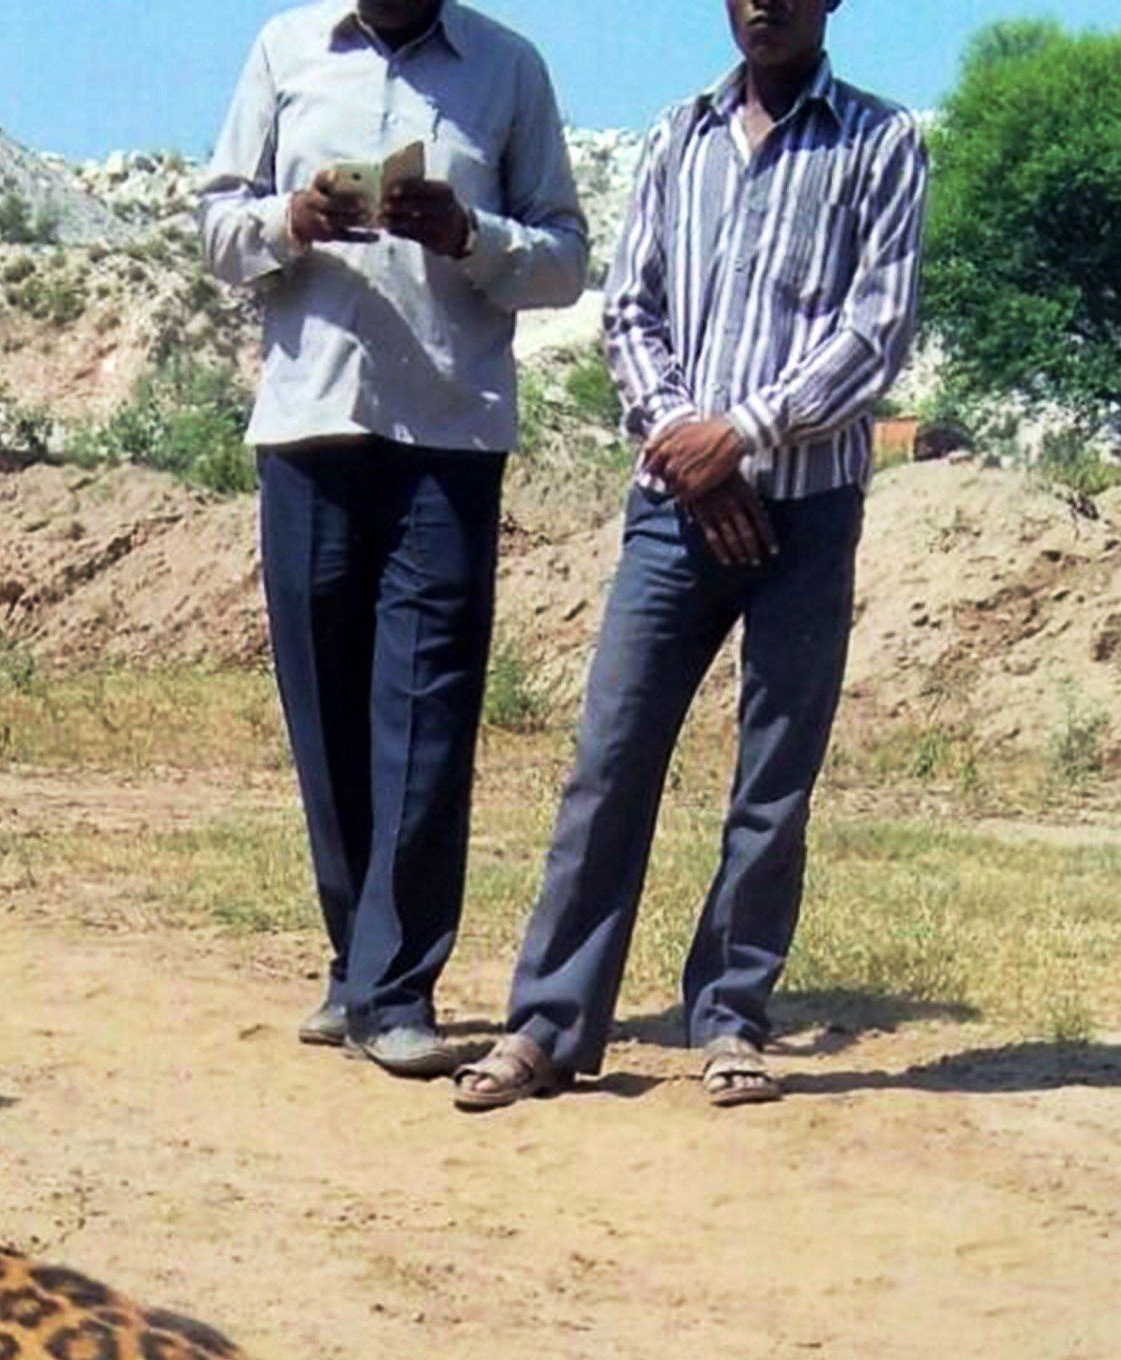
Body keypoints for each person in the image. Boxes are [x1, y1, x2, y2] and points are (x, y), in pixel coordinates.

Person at [454, 0, 925, 1113]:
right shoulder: (679, 134)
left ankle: (730, 1018)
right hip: (674, 505)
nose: (765, 4)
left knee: (773, 779)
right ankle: (548, 1024)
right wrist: (689, 446)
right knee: (610, 758)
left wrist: (743, 435)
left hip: (809, 507)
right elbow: (629, 312)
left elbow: (874, 332)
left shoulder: (881, 140)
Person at [199, 0, 585, 1077]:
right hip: (307, 424)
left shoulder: (508, 68)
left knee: (426, 714)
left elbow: (564, 260)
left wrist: (468, 235)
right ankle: (353, 963)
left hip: (448, 436)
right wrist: (292, 221)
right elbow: (215, 230)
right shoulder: (284, 50)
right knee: (325, 712)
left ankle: (396, 988)